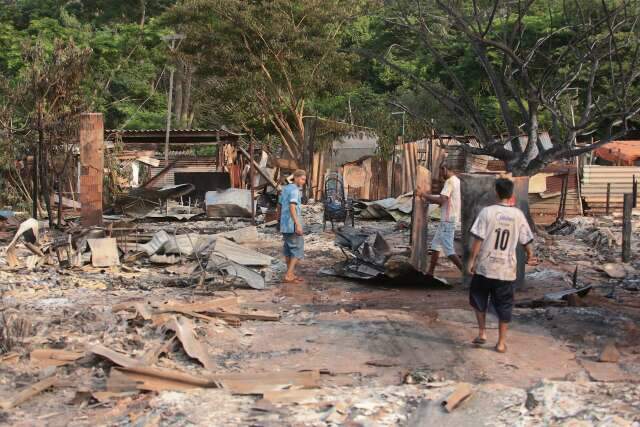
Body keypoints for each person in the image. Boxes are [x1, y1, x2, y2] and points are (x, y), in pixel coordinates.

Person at [467, 178, 536, 353]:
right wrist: (530, 255)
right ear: (511, 193)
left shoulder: (487, 212)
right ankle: (501, 342)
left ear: (496, 192)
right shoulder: (518, 215)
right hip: (506, 270)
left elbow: (478, 240)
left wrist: (471, 261)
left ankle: (482, 333)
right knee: (504, 305)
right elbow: (526, 240)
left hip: (485, 267)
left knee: (478, 298)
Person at [424, 163, 463, 276]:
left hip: (448, 219)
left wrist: (424, 195)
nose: (440, 175)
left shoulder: (450, 181)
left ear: (445, 169)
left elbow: (442, 200)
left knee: (448, 250)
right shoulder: (456, 180)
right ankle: (430, 272)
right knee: (436, 245)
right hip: (448, 218)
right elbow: (445, 199)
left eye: (440, 171)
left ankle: (466, 274)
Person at [278, 169, 306, 283]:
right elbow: (292, 207)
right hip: (292, 224)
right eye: (302, 179)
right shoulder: (295, 190)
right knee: (297, 248)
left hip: (284, 224)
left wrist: (278, 219)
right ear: (296, 178)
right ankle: (289, 274)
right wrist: (297, 224)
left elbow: (279, 204)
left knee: (288, 249)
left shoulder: (286, 189)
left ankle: (290, 273)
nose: (303, 181)